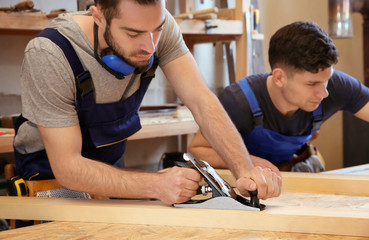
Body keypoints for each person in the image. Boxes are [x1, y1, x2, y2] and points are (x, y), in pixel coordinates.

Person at [13, 0, 281, 205]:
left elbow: (201, 101)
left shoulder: (156, 29)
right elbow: (68, 168)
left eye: (157, 30)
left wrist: (245, 171)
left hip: (111, 177)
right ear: (98, 17)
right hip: (53, 184)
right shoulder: (50, 53)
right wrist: (155, 185)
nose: (150, 46)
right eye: (133, 34)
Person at [189, 21, 369, 173]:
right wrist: (248, 162)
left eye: (327, 81)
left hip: (287, 177)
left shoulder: (333, 85)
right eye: (312, 84)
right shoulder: (238, 101)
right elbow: (197, 150)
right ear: (279, 77)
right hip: (241, 186)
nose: (324, 93)